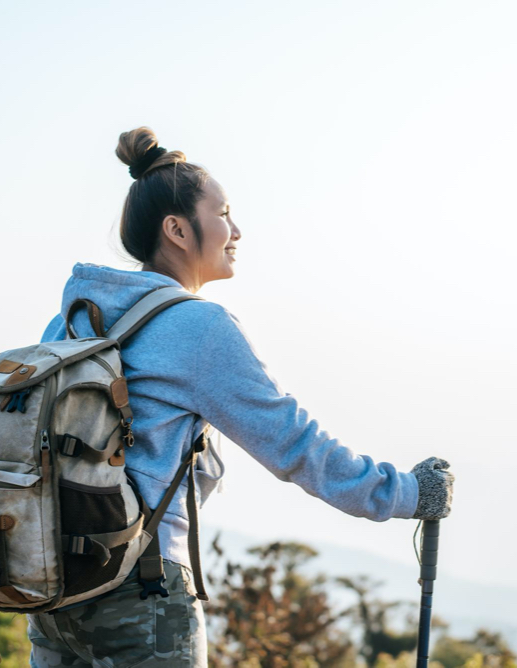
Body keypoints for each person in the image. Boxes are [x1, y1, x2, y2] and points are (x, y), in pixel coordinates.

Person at [26, 126, 455, 667]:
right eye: (223, 213)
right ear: (178, 230)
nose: (237, 230)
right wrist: (409, 494)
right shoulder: (198, 328)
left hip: (53, 588)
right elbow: (296, 446)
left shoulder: (72, 320)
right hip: (142, 590)